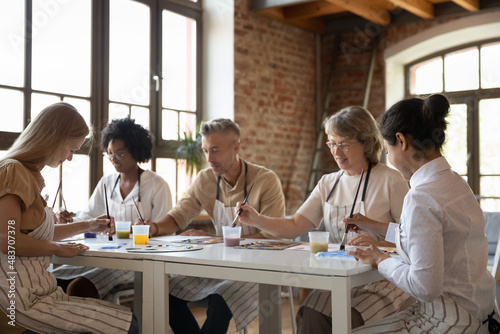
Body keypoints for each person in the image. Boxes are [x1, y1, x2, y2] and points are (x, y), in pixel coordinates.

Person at [237, 106, 414, 333]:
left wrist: (377, 244)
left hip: (384, 278)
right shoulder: (328, 183)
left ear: (366, 143)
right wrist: (258, 220)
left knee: (350, 319)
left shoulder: (391, 180)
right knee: (312, 313)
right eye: (332, 143)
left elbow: (413, 239)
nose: (336, 152)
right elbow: (294, 226)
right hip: (341, 278)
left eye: (344, 144)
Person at [346, 94, 500, 334]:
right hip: (481, 314)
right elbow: (426, 238)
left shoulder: (421, 196)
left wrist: (379, 258)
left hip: (450, 320)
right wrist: (374, 226)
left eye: (387, 150)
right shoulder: (454, 182)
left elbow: (424, 287)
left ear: (401, 140)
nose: (390, 159)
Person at [0, 102, 138, 333]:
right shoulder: (13, 171)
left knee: (129, 322)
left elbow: (34, 234)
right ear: (52, 139)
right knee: (129, 326)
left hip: (35, 292)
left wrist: (88, 225)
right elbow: (6, 239)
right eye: (72, 150)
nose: (71, 158)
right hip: (16, 302)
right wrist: (55, 248)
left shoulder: (26, 175)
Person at [140, 118, 286, 334]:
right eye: (206, 150)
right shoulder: (205, 180)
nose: (209, 158)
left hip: (260, 269)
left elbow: (273, 237)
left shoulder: (265, 180)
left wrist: (216, 240)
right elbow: (179, 215)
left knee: (222, 297)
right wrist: (154, 228)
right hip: (219, 266)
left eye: (215, 150)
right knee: (165, 291)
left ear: (236, 147)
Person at [52, 117, 172, 299]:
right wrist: (69, 220)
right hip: (104, 258)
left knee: (80, 287)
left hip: (139, 262)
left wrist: (146, 229)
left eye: (120, 153)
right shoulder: (107, 183)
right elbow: (88, 217)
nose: (113, 159)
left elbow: (166, 232)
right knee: (55, 280)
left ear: (136, 150)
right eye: (109, 153)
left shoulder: (156, 185)